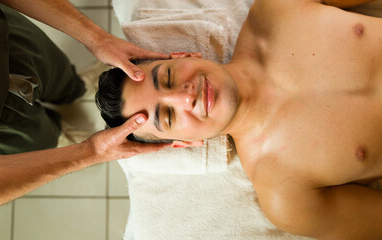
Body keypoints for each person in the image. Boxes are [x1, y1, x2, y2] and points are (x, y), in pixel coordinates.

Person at [96, 0, 382, 239]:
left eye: (169, 77)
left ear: (185, 54)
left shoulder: (277, 9)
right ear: (186, 142)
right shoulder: (285, 197)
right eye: (169, 116)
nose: (185, 97)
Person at [0, 0, 171, 214]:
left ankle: (77, 87)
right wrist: (88, 152)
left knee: (60, 74)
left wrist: (96, 38)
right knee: (44, 139)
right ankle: (59, 136)